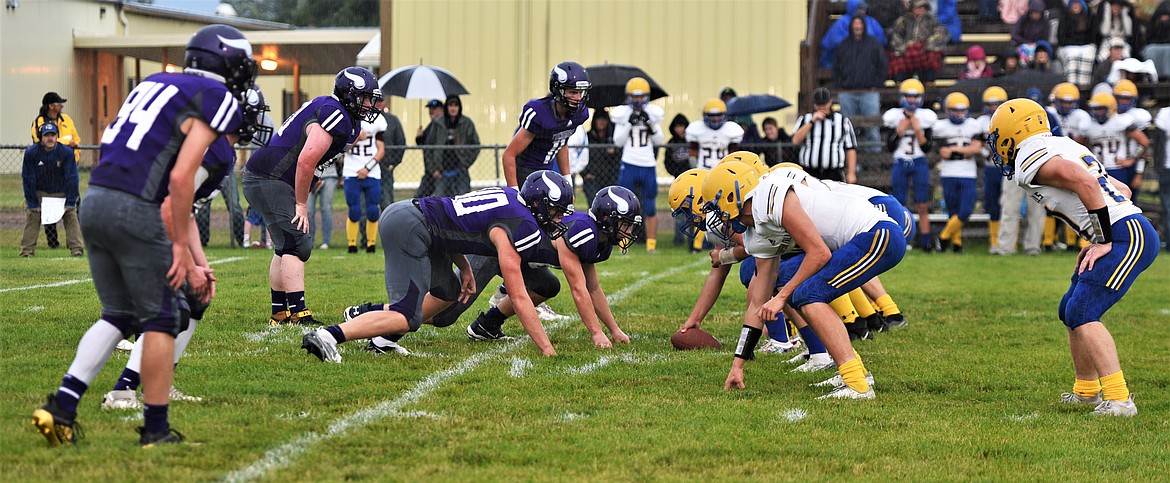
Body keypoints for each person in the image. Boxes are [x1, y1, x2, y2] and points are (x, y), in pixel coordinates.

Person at [32, 24, 254, 447]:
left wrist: (195, 258)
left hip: (96, 198)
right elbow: (182, 175)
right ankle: (155, 430)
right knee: (162, 318)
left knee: (117, 313)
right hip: (137, 206)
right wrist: (180, 252)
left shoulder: (155, 82)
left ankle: (61, 406)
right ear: (226, 65)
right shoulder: (217, 98)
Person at [101, 87, 271, 410]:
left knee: (195, 300)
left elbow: (186, 210)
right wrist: (187, 264)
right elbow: (170, 205)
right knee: (168, 307)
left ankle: (161, 385)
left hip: (150, 215)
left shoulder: (223, 151)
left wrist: (202, 266)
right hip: (141, 217)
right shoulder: (216, 149)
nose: (259, 120)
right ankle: (122, 390)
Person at [987, 98, 1158, 416]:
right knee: (1070, 309)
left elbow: (1086, 183)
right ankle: (1087, 390)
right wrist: (1097, 234)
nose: (998, 147)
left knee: (1083, 310)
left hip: (1125, 235)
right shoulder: (1061, 143)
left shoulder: (1029, 155)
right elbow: (1120, 189)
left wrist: (1104, 238)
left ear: (1014, 132)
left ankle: (1120, 399)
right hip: (1126, 229)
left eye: (998, 138)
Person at [300, 171, 576, 361]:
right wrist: (547, 349)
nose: (557, 218)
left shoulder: (512, 200)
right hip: (412, 226)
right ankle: (329, 336)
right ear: (538, 204)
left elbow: (457, 222)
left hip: (424, 226)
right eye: (554, 211)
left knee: (448, 292)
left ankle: (383, 340)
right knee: (407, 315)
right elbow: (517, 295)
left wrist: (464, 266)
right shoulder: (520, 222)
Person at [703, 162, 906, 398]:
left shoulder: (771, 196)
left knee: (808, 295)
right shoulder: (758, 230)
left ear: (732, 195)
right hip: (862, 239)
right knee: (802, 293)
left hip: (878, 233)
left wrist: (781, 297)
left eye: (718, 206)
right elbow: (757, 304)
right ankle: (856, 373)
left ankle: (857, 385)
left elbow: (819, 253)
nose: (717, 215)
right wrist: (737, 366)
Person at [404, 185, 641, 349]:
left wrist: (614, 330)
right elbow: (579, 290)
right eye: (625, 224)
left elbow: (593, 289)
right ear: (608, 219)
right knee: (445, 314)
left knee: (547, 285)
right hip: (496, 249)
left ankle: (487, 325)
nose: (629, 231)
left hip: (523, 255)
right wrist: (597, 333)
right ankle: (390, 315)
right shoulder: (582, 231)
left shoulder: (599, 242)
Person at [244, 66, 382, 327]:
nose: (368, 104)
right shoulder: (335, 113)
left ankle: (280, 313)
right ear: (349, 95)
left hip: (267, 176)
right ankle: (298, 313)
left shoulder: (345, 116)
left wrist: (312, 182)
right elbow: (306, 161)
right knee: (298, 243)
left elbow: (313, 162)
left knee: (285, 244)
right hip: (270, 177)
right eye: (364, 97)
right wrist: (301, 204)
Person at [502, 61, 592, 188]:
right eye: (572, 92)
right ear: (558, 90)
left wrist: (568, 180)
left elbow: (562, 142)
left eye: (580, 92)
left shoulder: (579, 114)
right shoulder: (539, 113)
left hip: (548, 170)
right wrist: (514, 191)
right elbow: (509, 155)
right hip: (526, 171)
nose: (578, 98)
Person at [882, 79, 938, 251]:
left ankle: (926, 241)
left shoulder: (926, 117)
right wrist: (899, 132)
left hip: (919, 162)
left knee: (922, 203)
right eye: (909, 96)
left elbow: (927, 147)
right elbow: (890, 147)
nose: (912, 100)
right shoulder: (894, 116)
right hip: (900, 161)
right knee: (899, 204)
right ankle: (901, 241)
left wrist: (917, 129)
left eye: (915, 97)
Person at [612, 77, 666, 254]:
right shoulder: (623, 114)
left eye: (640, 96)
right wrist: (630, 123)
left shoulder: (653, 113)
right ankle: (623, 244)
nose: (637, 100)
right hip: (629, 162)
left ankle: (651, 246)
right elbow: (618, 141)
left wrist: (650, 124)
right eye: (634, 97)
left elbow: (660, 140)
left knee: (650, 206)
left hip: (648, 163)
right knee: (624, 205)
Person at [21, 122, 82, 257]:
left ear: (57, 136)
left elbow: (72, 177)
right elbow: (28, 178)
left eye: (52, 135)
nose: (50, 138)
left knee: (71, 215)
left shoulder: (66, 152)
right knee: (33, 215)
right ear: (41, 137)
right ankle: (26, 251)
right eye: (46, 135)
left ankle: (77, 249)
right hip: (41, 192)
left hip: (61, 192)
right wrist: (33, 203)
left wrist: (71, 201)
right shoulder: (31, 153)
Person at [931, 92, 983, 253]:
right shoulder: (940, 127)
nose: (959, 114)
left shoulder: (974, 125)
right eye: (955, 110)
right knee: (953, 209)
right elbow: (943, 153)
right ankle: (957, 244)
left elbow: (976, 149)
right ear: (948, 110)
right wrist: (965, 151)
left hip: (968, 173)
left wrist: (954, 150)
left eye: (962, 110)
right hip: (949, 173)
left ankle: (944, 236)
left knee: (966, 210)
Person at [31, 91, 82, 249]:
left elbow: (76, 139)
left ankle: (73, 242)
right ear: (51, 106)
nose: (61, 106)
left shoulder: (66, 120)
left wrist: (72, 147)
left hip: (68, 166)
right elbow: (40, 140)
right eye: (59, 103)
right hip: (47, 166)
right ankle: (52, 242)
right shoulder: (39, 121)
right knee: (49, 203)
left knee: (73, 203)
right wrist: (65, 142)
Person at [834, 14, 888, 154]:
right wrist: (841, 85)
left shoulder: (874, 44)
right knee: (847, 127)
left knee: (872, 126)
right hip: (847, 93)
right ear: (851, 26)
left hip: (869, 92)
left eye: (860, 24)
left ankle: (874, 158)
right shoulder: (843, 45)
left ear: (864, 26)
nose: (857, 27)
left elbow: (883, 66)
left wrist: (877, 84)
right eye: (855, 24)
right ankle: (849, 158)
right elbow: (836, 68)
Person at [341, 96, 388, 254]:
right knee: (354, 210)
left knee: (373, 210)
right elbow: (340, 148)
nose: (367, 105)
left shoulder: (377, 120)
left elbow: (381, 150)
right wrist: (356, 138)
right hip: (351, 170)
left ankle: (371, 244)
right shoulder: (347, 117)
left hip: (372, 171)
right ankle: (352, 244)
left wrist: (367, 168)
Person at [1078, 92, 1148, 192]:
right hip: (1096, 170)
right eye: (1095, 109)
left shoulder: (1122, 121)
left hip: (1118, 169)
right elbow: (1078, 146)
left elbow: (1144, 142)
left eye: (1101, 109)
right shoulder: (1087, 126)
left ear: (1110, 108)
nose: (1098, 112)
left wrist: (1132, 159)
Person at [791, 87, 858, 183]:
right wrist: (811, 122)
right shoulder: (805, 119)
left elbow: (851, 148)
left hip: (833, 173)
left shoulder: (843, 121)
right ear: (814, 104)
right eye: (819, 104)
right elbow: (795, 140)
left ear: (830, 102)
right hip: (809, 172)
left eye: (824, 104)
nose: (821, 107)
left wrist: (851, 173)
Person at [423, 95, 480, 196]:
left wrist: (466, 163)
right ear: (446, 107)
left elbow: (476, 145)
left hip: (460, 170)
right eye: (450, 105)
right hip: (441, 171)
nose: (453, 108)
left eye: (456, 105)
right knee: (441, 202)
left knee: (463, 200)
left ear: (459, 107)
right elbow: (428, 148)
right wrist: (433, 169)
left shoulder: (466, 123)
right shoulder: (438, 124)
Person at [887, 0, 950, 82]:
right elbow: (895, 34)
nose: (921, 9)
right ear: (912, 8)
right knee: (898, 58)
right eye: (918, 7)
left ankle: (929, 82)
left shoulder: (932, 20)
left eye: (923, 7)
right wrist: (903, 46)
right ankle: (901, 82)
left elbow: (941, 33)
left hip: (925, 49)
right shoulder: (903, 20)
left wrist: (927, 45)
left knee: (933, 56)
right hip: (907, 49)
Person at [819, 0, 887, 70]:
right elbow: (832, 42)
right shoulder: (842, 22)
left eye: (864, 8)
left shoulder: (872, 22)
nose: (862, 10)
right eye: (859, 8)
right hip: (844, 62)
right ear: (853, 7)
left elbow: (881, 40)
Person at [1113, 79, 1152, 192]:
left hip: (1131, 165)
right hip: (1112, 164)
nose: (1124, 102)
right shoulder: (1109, 115)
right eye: (1121, 98)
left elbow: (1145, 144)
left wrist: (1137, 169)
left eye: (1127, 98)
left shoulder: (1139, 116)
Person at [686, 99, 744, 169]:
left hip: (722, 171)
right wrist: (695, 170)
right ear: (705, 115)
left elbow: (733, 156)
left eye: (718, 115)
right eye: (711, 115)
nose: (715, 118)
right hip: (703, 171)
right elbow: (693, 155)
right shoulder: (696, 129)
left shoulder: (732, 130)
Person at [582, 109, 620, 205]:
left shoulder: (613, 138)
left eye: (604, 119)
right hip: (593, 178)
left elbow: (619, 159)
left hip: (611, 178)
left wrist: (612, 153)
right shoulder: (587, 137)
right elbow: (579, 155)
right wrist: (585, 173)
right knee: (595, 204)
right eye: (599, 119)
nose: (601, 122)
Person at [1059, 0, 1099, 86]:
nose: (1075, 5)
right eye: (1074, 3)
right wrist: (1076, 42)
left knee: (1088, 53)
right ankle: (1071, 84)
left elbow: (1092, 37)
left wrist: (1080, 42)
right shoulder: (1064, 18)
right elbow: (1061, 38)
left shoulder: (1089, 18)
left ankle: (1084, 86)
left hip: (1085, 46)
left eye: (1078, 3)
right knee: (1072, 55)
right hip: (1068, 46)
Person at [378, 102, 407, 211]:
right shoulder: (364, 120)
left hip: (385, 167)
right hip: (368, 169)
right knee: (365, 208)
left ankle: (387, 227)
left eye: (380, 100)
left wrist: (393, 163)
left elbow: (401, 142)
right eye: (375, 100)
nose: (378, 103)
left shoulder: (392, 120)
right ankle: (364, 229)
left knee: (387, 204)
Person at [413, 99, 444, 197]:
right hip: (430, 171)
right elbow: (425, 145)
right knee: (419, 198)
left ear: (441, 110)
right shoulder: (431, 125)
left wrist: (438, 169)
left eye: (434, 109)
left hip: (441, 170)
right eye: (430, 109)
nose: (431, 111)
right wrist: (419, 137)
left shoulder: (443, 125)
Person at [306, 160, 339, 250]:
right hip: (309, 175)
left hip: (329, 175)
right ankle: (309, 241)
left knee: (326, 209)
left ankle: (326, 242)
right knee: (308, 211)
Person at [1012, 0, 1051, 65]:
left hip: (1039, 46)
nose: (1036, 15)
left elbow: (1046, 37)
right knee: (1023, 52)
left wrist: (1036, 44)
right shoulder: (1023, 19)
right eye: (1035, 12)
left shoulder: (1045, 22)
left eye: (1039, 13)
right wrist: (1026, 42)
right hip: (1023, 45)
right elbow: (1014, 34)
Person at [1155, 103, 1170, 251]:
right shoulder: (1165, 114)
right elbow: (1158, 143)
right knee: (1168, 209)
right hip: (1167, 168)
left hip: (1166, 168)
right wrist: (1159, 168)